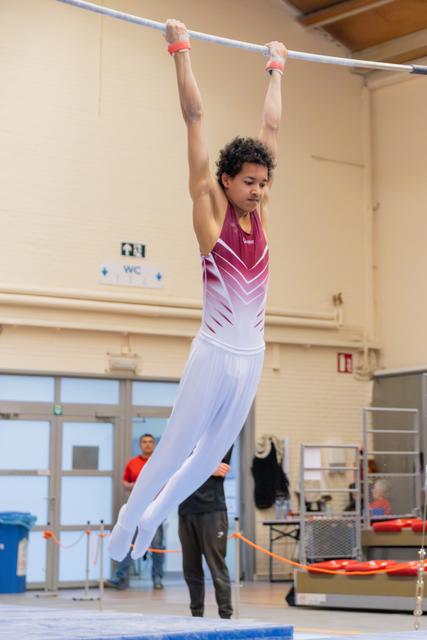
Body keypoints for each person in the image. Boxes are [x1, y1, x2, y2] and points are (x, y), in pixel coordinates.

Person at [108, 19, 286, 563]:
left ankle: (153, 518)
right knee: (172, 453)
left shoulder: (261, 214)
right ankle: (125, 527)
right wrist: (179, 49)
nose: (257, 191)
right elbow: (195, 116)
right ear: (225, 181)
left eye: (263, 182)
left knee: (210, 456)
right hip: (212, 355)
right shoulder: (210, 211)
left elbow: (271, 130)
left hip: (251, 357)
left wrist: (276, 67)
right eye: (248, 182)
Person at [178, 450, 233, 619]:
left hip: (212, 510)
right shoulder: (186, 438)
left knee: (216, 565)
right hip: (186, 509)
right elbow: (176, 468)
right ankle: (196, 615)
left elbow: (221, 468)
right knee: (191, 567)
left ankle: (225, 616)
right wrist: (207, 468)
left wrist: (192, 468)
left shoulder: (220, 434)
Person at [107, 434, 165, 589]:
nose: (147, 445)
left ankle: (157, 579)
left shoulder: (161, 462)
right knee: (127, 542)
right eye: (144, 442)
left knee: (157, 545)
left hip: (155, 509)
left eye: (150, 442)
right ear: (140, 445)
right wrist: (137, 487)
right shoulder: (132, 463)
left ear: (154, 444)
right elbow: (125, 483)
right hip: (135, 509)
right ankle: (121, 579)